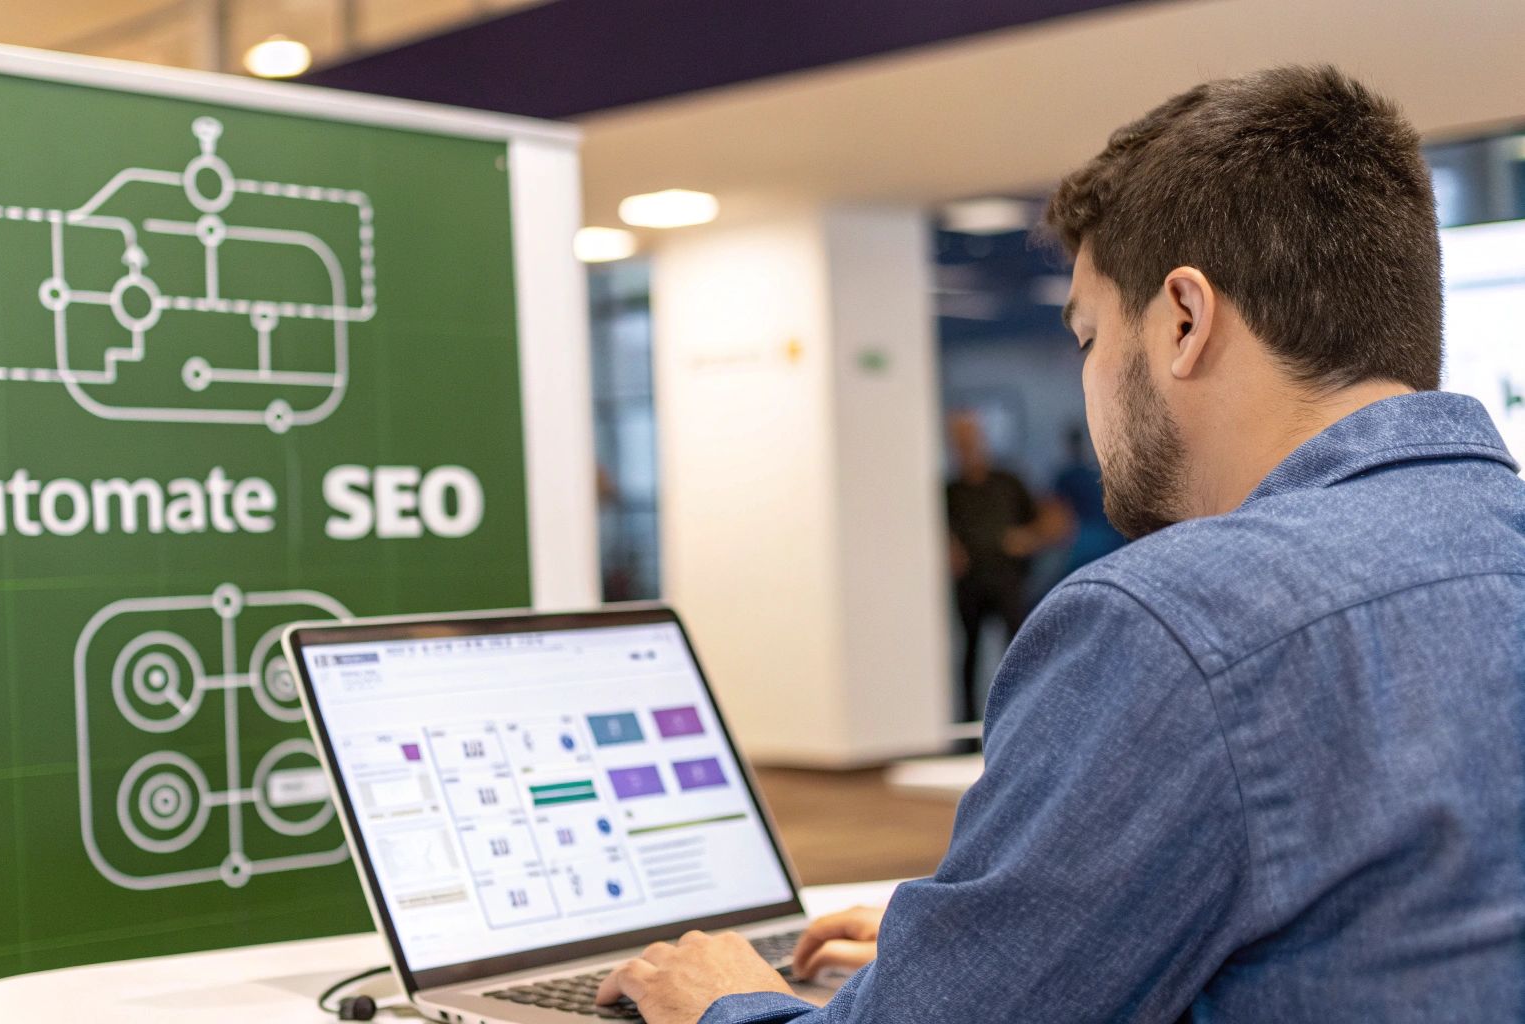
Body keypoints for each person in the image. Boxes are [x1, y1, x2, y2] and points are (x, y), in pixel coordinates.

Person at [596, 65, 1525, 1022]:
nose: (1086, 375)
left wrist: (727, 1002)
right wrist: (988, 943)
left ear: (1184, 320)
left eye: (1087, 337)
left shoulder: (1178, 622)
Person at [943, 410, 1059, 722]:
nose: (966, 444)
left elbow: (1046, 520)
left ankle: (1022, 720)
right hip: (970, 585)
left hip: (1008, 580)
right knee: (969, 656)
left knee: (1018, 652)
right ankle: (968, 729)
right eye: (959, 439)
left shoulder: (1008, 482)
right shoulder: (949, 492)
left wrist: (1029, 537)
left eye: (971, 436)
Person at [1050, 425, 1125, 577]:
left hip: (1086, 538)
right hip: (1112, 536)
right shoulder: (1100, 471)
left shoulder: (1067, 475)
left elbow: (1056, 513)